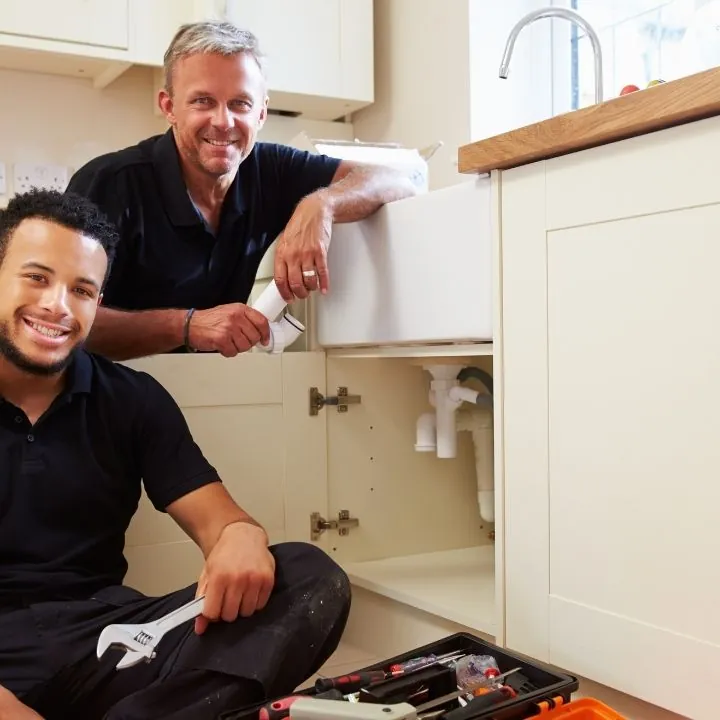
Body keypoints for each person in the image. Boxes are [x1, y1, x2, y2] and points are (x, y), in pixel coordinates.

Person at [0, 188, 351, 720]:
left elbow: (222, 522)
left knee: (307, 575)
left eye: (83, 290)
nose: (58, 305)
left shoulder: (133, 399)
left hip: (109, 643)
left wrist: (240, 539)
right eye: (37, 278)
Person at [66, 20, 417, 361]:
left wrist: (322, 203)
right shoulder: (109, 183)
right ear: (169, 107)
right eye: (203, 101)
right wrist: (186, 326)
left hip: (205, 387)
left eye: (240, 104)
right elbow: (60, 316)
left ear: (261, 114)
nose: (223, 121)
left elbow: (399, 180)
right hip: (100, 396)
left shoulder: (272, 168)